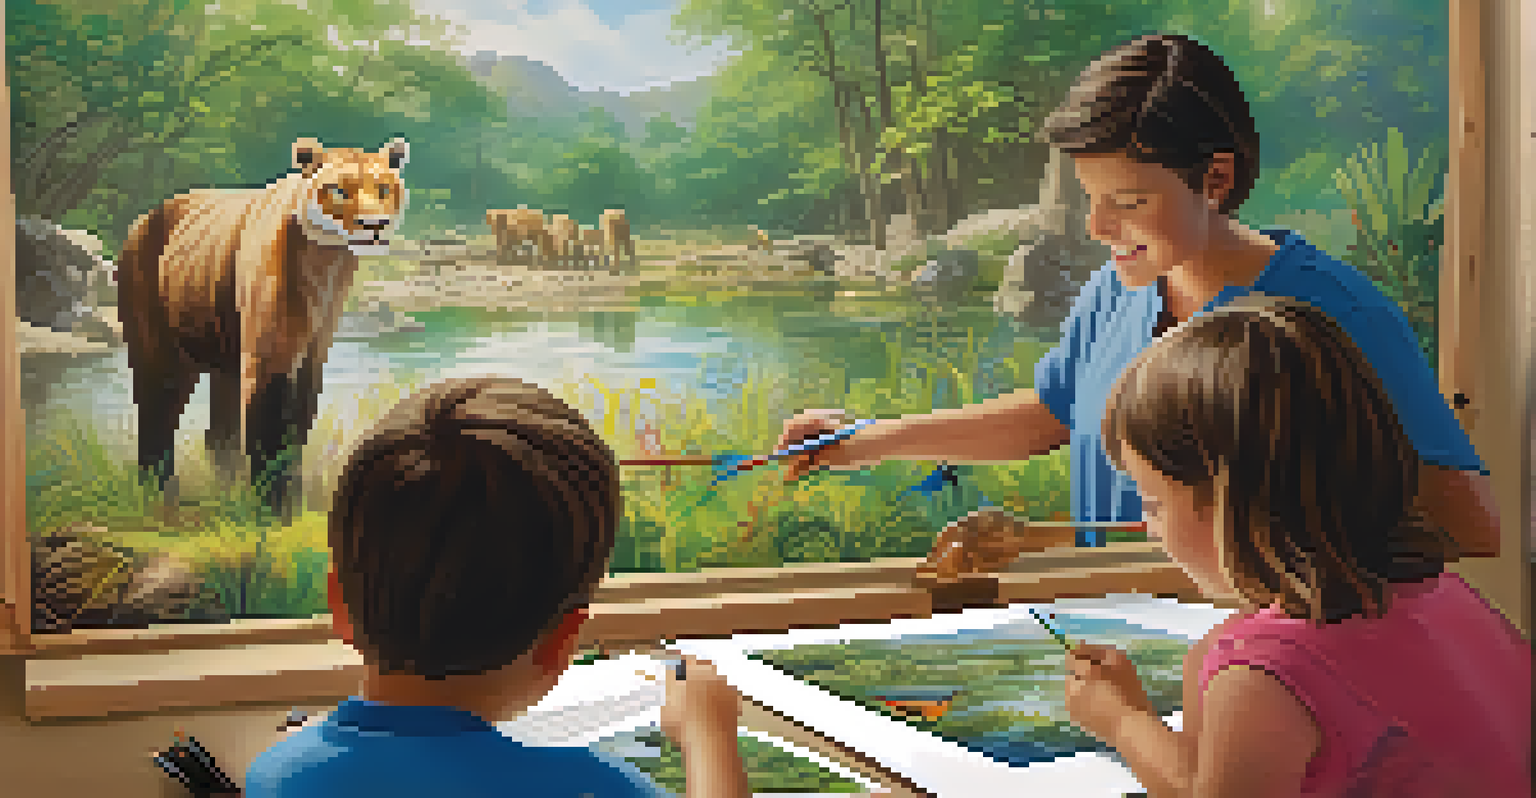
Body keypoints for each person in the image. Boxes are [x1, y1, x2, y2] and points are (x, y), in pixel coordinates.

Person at [774, 33, 1500, 556]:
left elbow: (1469, 525)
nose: (1096, 227)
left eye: (1127, 200)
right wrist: (866, 441)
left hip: (1263, 682)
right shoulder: (1115, 292)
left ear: (1215, 180)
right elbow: (1055, 412)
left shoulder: (1338, 314)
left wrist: (1259, 545)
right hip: (1121, 657)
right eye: (1089, 198)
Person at [1061, 294, 1530, 796]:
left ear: (1231, 502)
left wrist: (1123, 724)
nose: (1149, 526)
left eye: (1152, 500)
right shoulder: (1457, 602)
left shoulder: (1265, 678)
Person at [244, 377, 751, 798]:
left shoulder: (275, 778)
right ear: (561, 643)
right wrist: (709, 734)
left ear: (339, 604)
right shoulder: (590, 787)